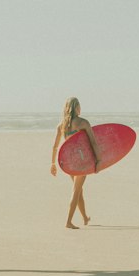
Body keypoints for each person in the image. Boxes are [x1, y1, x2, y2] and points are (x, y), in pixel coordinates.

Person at [51, 96, 99, 228]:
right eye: (79, 106)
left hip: (68, 161)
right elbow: (93, 142)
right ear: (76, 108)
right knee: (76, 190)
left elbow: (55, 146)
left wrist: (53, 163)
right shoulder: (83, 122)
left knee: (79, 190)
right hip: (81, 161)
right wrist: (99, 160)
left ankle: (85, 218)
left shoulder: (61, 126)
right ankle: (68, 221)